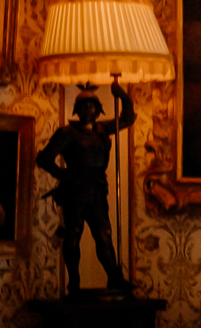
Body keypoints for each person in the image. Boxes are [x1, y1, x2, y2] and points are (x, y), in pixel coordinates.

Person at [36, 84, 133, 296]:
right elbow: (44, 158)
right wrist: (65, 175)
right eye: (84, 106)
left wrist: (124, 96)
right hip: (75, 192)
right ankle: (74, 282)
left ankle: (114, 278)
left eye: (92, 106)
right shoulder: (67, 133)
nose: (89, 110)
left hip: (97, 190)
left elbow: (127, 119)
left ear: (99, 110)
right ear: (77, 109)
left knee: (104, 235)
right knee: (74, 235)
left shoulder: (102, 129)